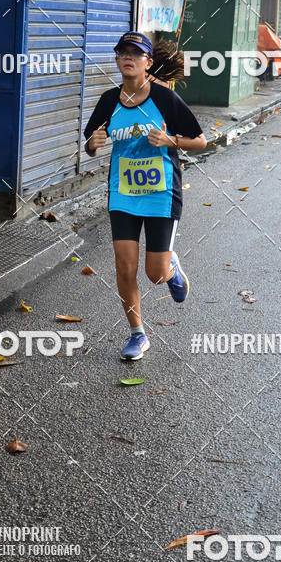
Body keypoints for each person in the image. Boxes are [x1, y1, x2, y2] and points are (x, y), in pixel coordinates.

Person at [83, 30, 207, 362]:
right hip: (122, 193)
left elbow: (201, 141)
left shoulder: (165, 100)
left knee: (154, 273)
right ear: (117, 59)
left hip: (161, 194)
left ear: (147, 62)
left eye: (136, 54)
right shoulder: (109, 101)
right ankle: (137, 334)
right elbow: (91, 143)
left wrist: (172, 142)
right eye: (123, 52)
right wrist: (94, 143)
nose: (128, 57)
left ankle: (171, 268)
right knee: (124, 267)